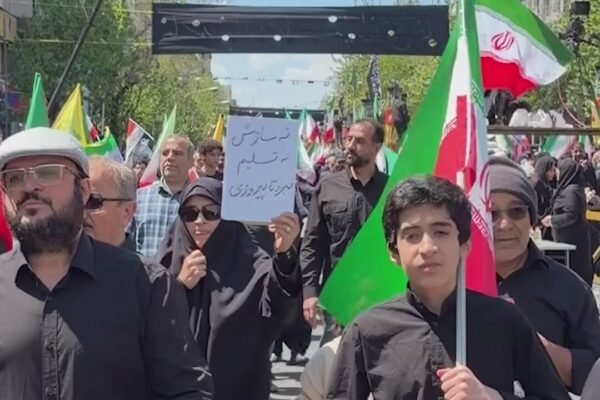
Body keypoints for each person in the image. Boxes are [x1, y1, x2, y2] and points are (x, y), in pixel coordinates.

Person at [0, 127, 213, 400]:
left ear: (84, 190)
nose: (29, 186)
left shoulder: (145, 284)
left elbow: (187, 391)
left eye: (48, 173)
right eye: (15, 178)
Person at [326, 176, 570, 400]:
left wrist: (493, 397)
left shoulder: (505, 321)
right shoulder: (368, 330)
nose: (428, 248)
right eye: (412, 235)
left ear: (464, 244)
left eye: (441, 232)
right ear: (394, 252)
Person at [156, 178, 302, 400]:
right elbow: (149, 326)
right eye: (189, 214)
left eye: (211, 213)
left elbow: (280, 309)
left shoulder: (252, 266)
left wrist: (284, 254)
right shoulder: (165, 265)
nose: (199, 221)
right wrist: (179, 286)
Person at [489, 156, 600, 395]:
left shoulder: (570, 288)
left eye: (516, 211)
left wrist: (541, 349)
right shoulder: (450, 288)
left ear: (531, 218)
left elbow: (594, 371)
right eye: (491, 213)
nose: (504, 225)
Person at [301, 119, 387, 346]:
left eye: (359, 141)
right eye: (349, 139)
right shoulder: (327, 187)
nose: (349, 146)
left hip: (381, 296)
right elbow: (312, 243)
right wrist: (310, 292)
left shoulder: (391, 190)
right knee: (334, 361)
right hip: (338, 297)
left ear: (376, 147)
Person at [132, 135, 193, 256]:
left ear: (191, 161)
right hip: (143, 268)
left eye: (177, 153)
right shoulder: (139, 198)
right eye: (165, 153)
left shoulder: (198, 200)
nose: (170, 157)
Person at [541, 157, 593, 285]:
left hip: (571, 242)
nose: (556, 172)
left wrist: (552, 220)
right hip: (570, 242)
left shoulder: (571, 191)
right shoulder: (570, 189)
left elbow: (570, 216)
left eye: (558, 169)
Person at [84, 156, 137, 250]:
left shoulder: (139, 261)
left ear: (126, 212)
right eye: (76, 202)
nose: (80, 212)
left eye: (92, 202)